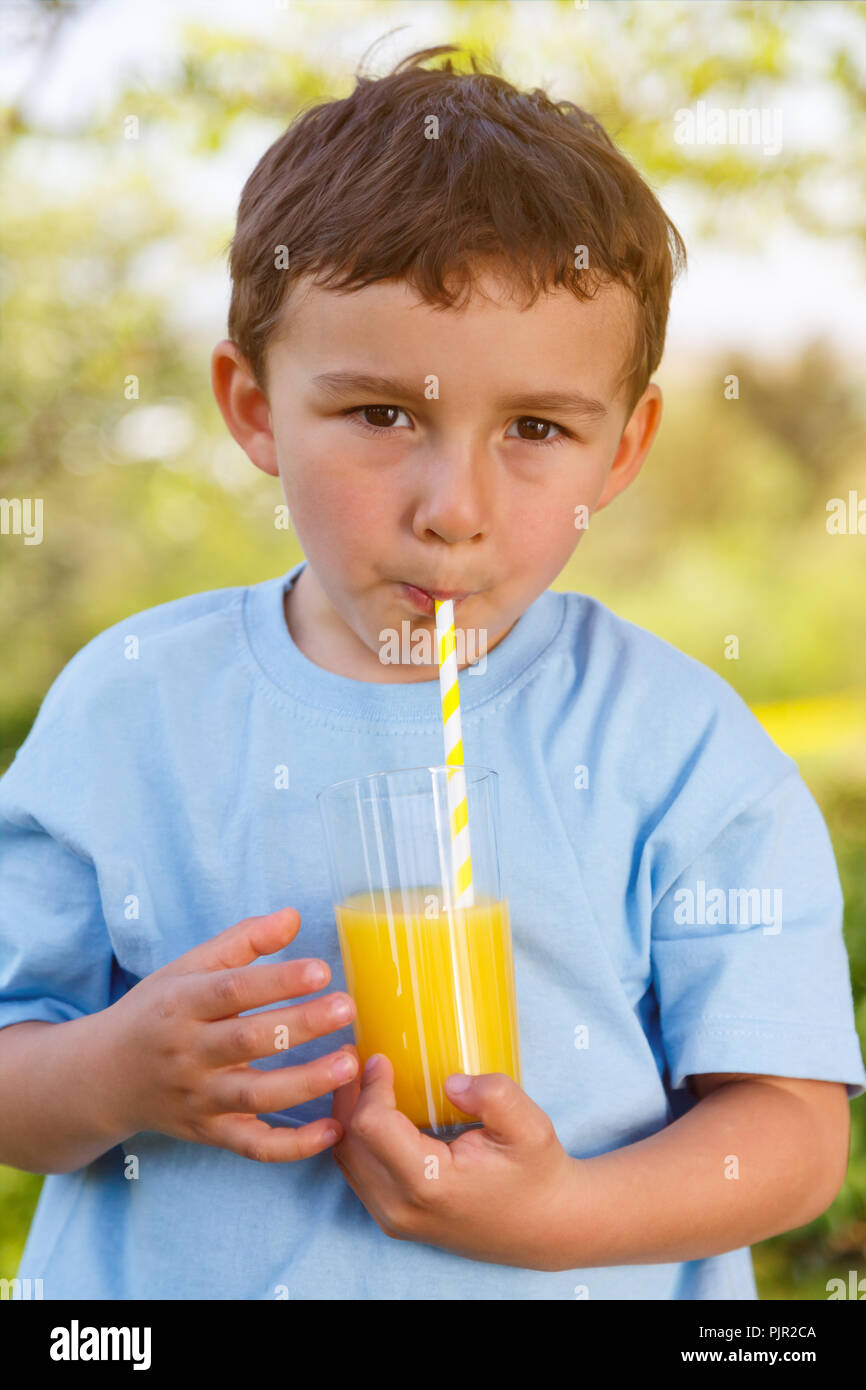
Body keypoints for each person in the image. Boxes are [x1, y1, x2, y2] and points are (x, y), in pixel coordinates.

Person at [1, 45, 863, 1300]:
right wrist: (115, 1076)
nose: (451, 508)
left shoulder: (679, 746)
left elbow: (787, 1137)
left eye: (534, 429)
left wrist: (562, 1213)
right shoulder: (130, 706)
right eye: (380, 414)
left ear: (621, 451)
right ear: (252, 408)